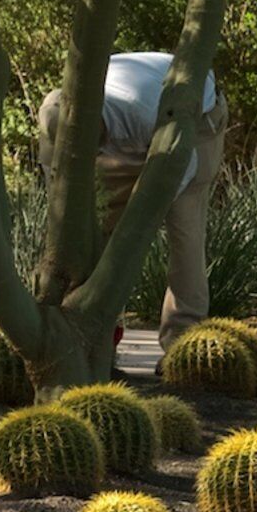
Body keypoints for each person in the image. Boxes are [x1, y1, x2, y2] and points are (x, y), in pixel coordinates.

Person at [31, 48, 227, 335]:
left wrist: (134, 226)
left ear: (90, 126)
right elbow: (63, 207)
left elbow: (175, 177)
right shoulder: (55, 120)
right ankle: (89, 332)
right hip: (132, 129)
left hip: (193, 124)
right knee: (94, 230)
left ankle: (182, 336)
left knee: (183, 231)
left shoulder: (144, 110)